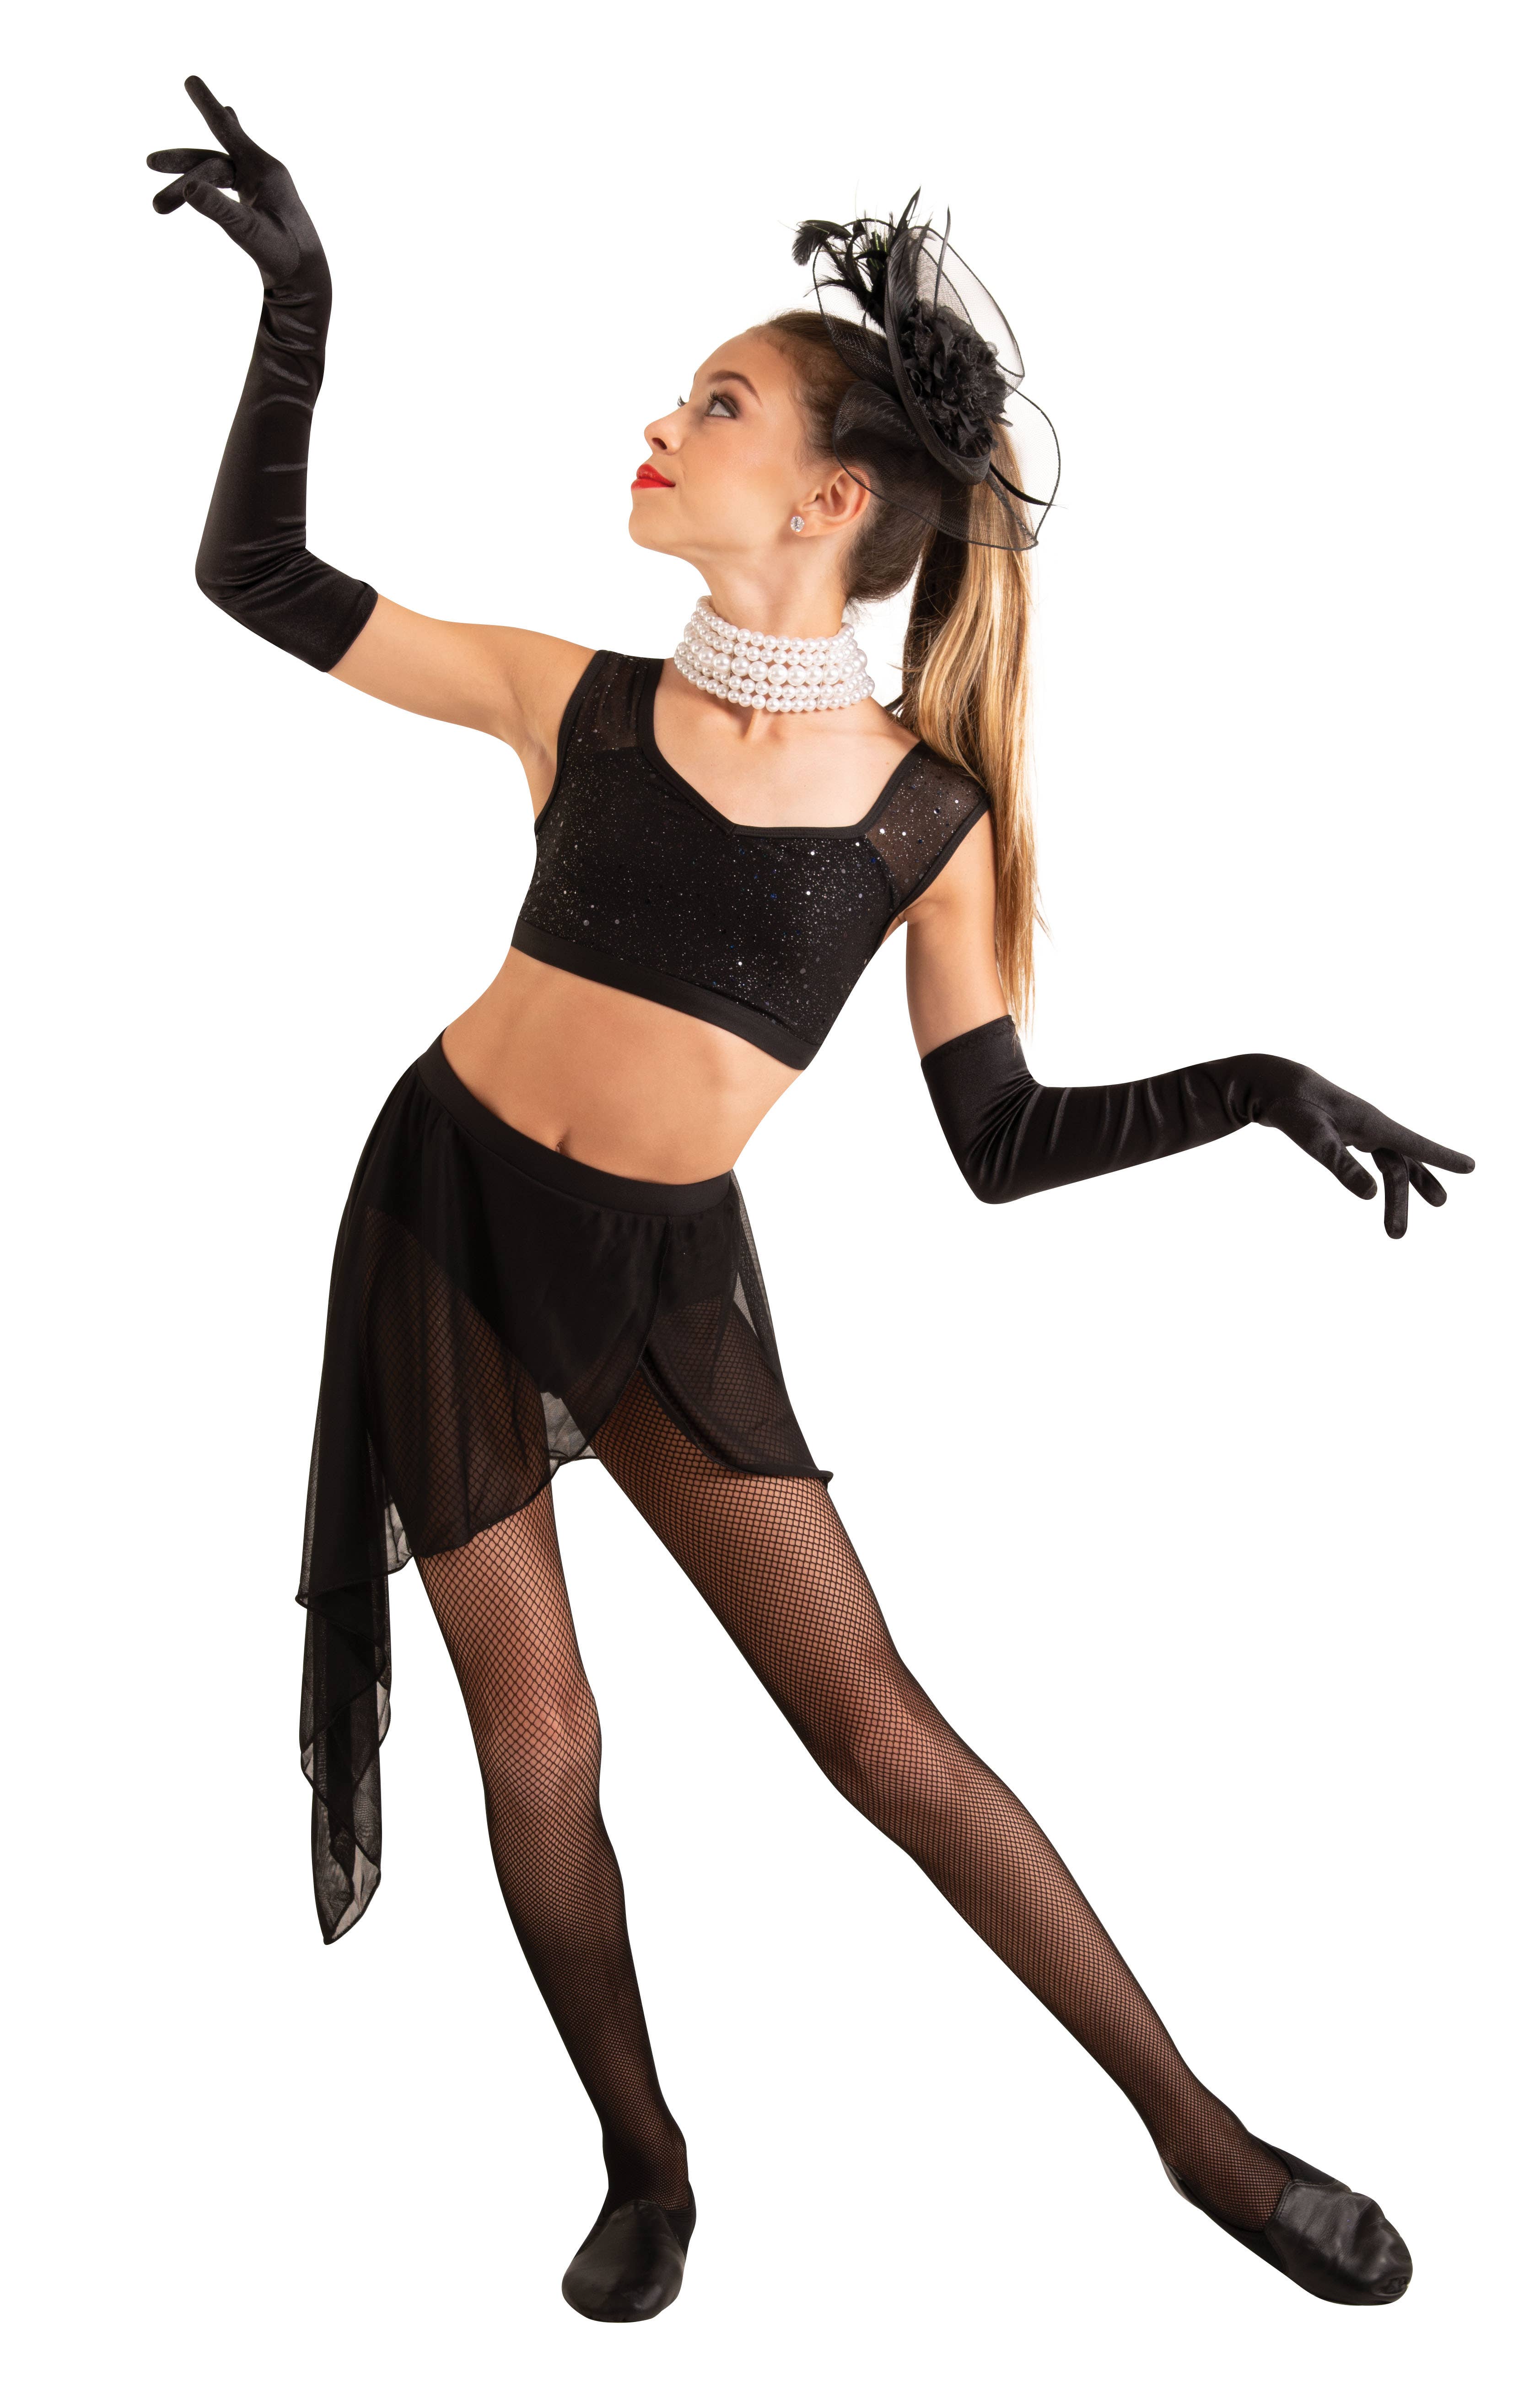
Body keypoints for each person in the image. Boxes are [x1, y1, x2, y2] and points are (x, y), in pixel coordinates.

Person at [149, 76, 1470, 2325]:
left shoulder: (921, 822)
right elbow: (256, 579)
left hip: (661, 1278)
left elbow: (996, 1140)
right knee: (540, 1735)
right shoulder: (572, 702)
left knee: (875, 1727)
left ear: (828, 499)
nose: (660, 423)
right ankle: (645, 2158)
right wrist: (300, 306)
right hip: (446, 1220)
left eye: (715, 403)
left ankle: (1201, 2135)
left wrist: (1251, 1086)